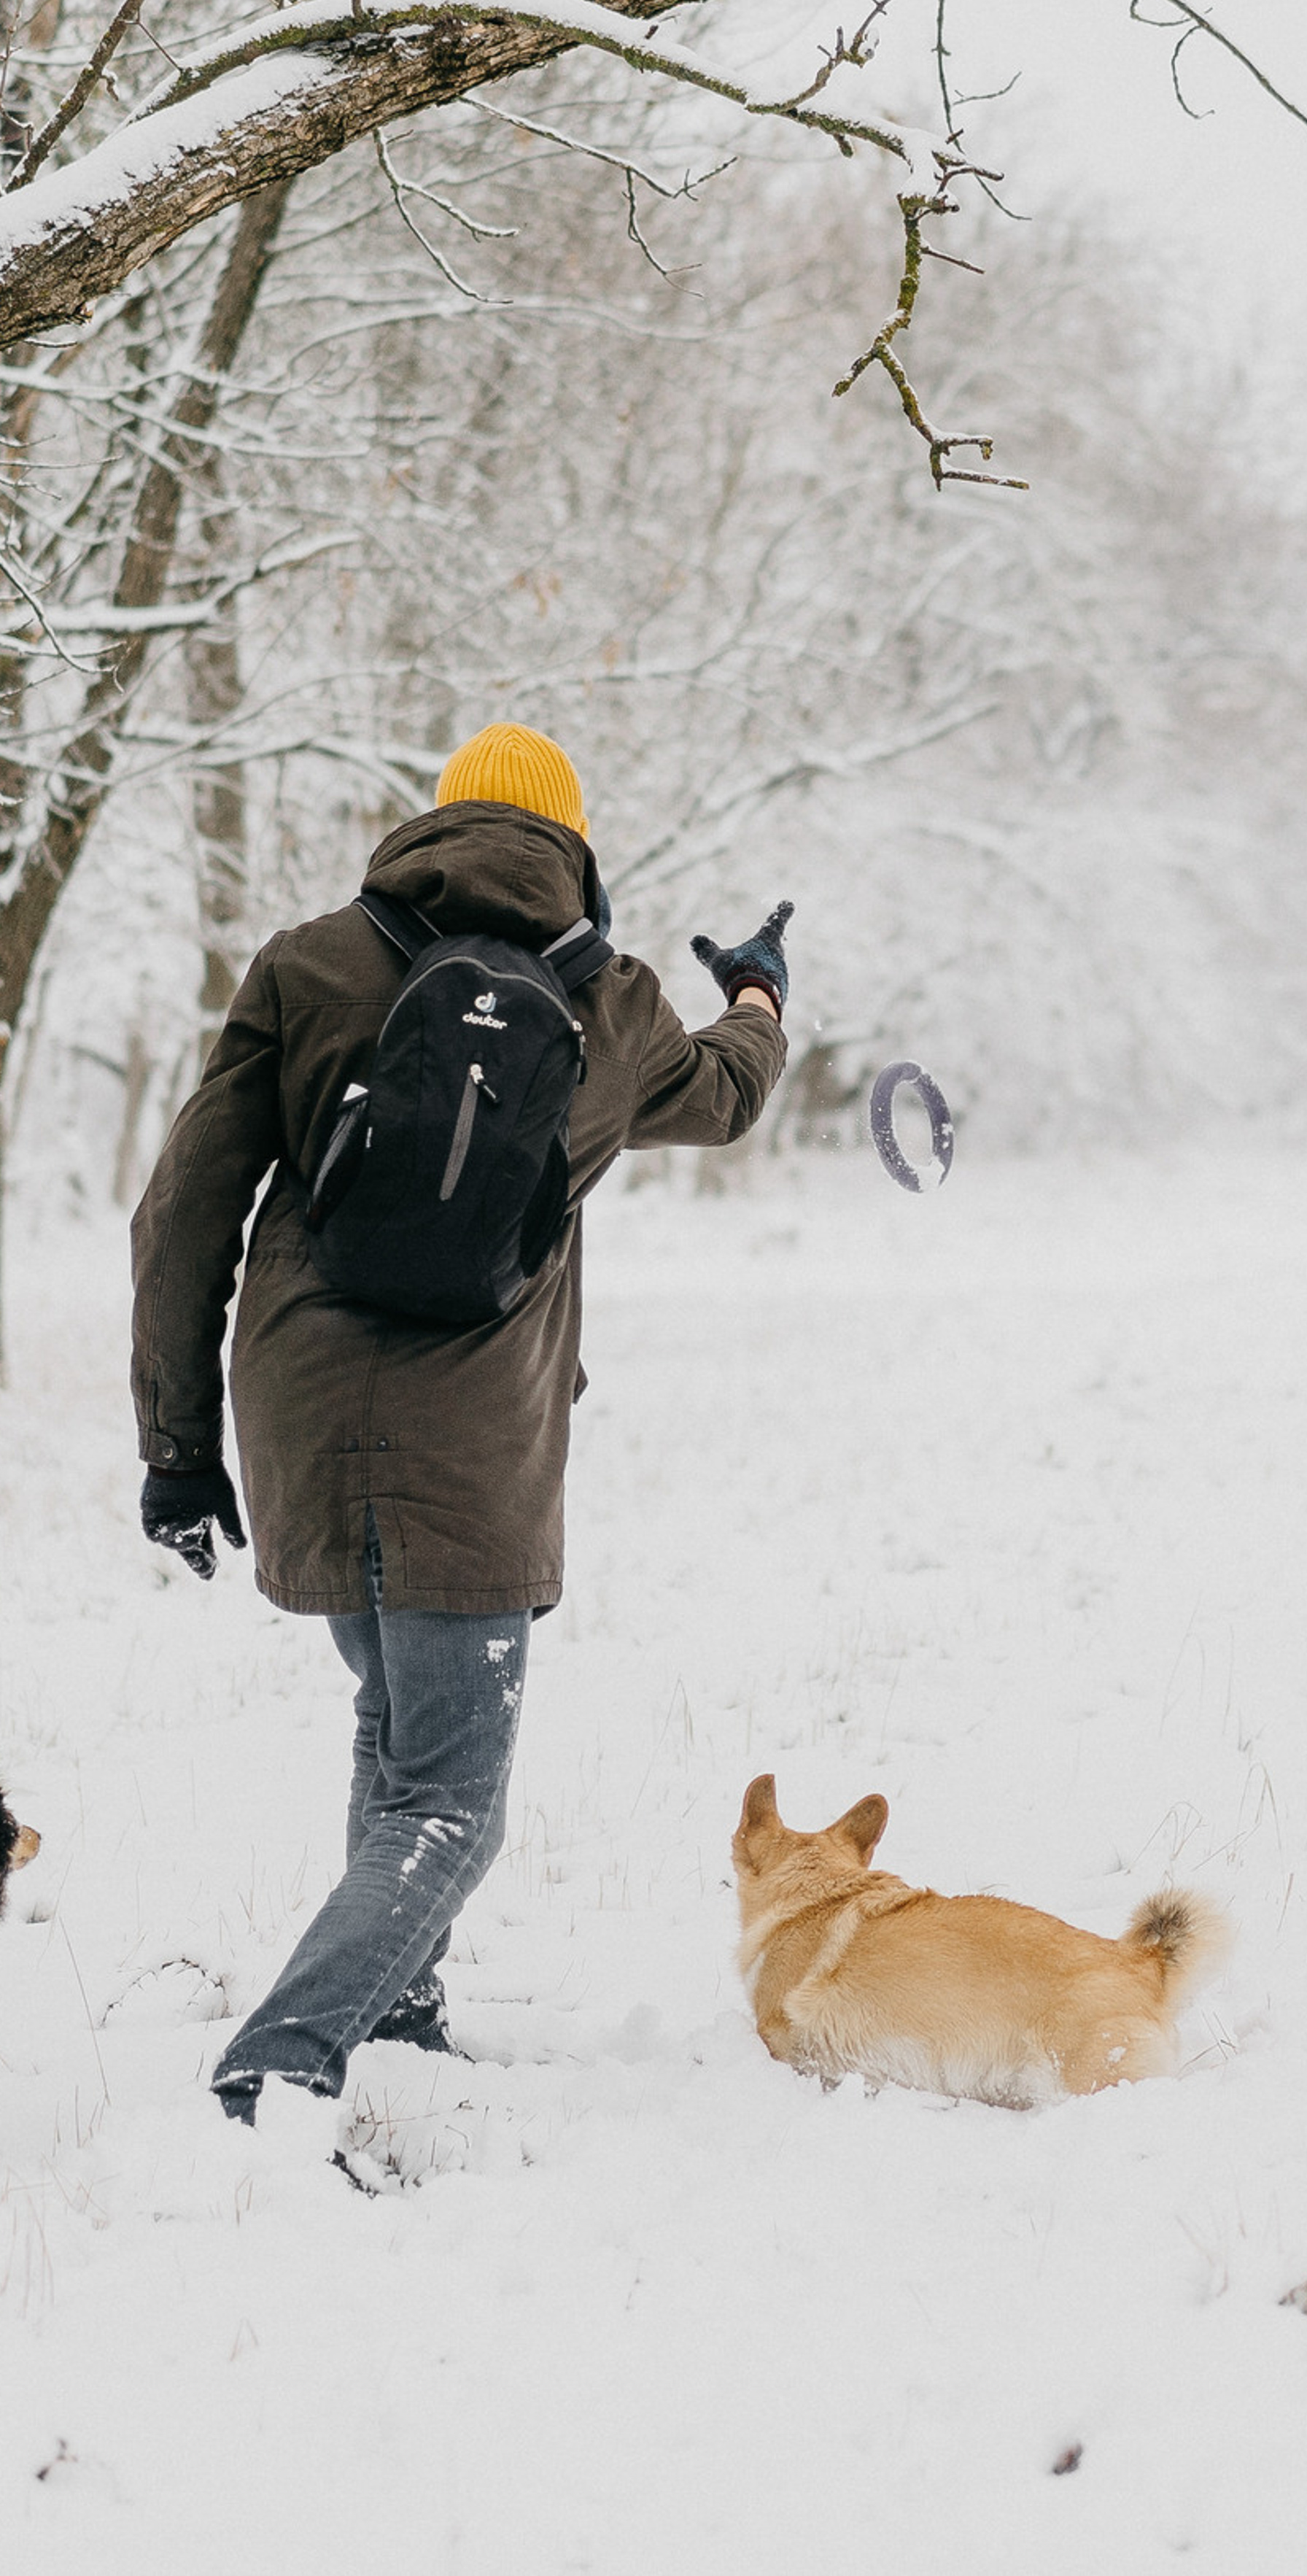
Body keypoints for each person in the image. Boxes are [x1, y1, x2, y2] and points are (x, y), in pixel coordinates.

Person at [129, 724, 789, 2122]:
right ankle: (282, 2063)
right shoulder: (610, 1005)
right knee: (451, 1802)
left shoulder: (310, 963)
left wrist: (177, 1449)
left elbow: (184, 1211)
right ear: (572, 847)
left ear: (433, 824)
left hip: (298, 1413)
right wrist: (756, 995)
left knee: (392, 1720)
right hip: (474, 1445)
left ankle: (402, 2012)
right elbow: (726, 1098)